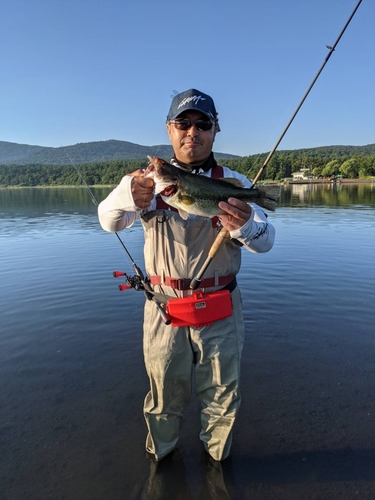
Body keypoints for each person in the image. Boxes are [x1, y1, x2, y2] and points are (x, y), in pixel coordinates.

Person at [98, 88, 275, 463]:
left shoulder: (232, 181)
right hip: (164, 309)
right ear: (169, 129)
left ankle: (218, 465)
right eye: (184, 123)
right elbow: (107, 220)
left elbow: (266, 241)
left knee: (223, 395)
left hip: (221, 307)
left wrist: (244, 227)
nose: (192, 131)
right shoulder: (144, 182)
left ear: (214, 131)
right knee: (163, 395)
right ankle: (161, 461)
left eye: (202, 124)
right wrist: (126, 197)